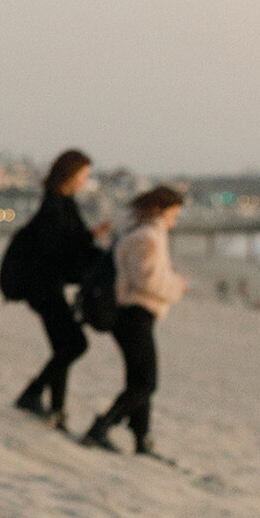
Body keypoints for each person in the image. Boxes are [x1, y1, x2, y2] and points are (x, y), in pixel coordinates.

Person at [8, 149, 108, 432]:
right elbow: (59, 247)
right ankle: (33, 394)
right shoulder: (54, 205)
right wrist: (92, 238)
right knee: (75, 344)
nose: (85, 181)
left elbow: (69, 242)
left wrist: (90, 239)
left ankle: (57, 411)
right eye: (84, 175)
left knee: (63, 347)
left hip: (47, 286)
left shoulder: (62, 202)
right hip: (42, 287)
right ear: (71, 174)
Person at [82, 185, 187, 456]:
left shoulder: (140, 231)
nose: (175, 221)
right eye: (173, 214)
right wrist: (177, 286)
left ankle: (142, 439)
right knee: (146, 383)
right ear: (160, 210)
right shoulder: (147, 237)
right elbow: (147, 280)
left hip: (132, 313)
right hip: (134, 314)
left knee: (138, 380)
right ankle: (101, 427)